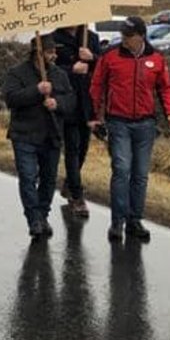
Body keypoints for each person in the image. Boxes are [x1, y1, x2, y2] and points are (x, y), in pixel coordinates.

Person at [89, 15, 170, 243]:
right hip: (118, 121)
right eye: (123, 35)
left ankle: (134, 219)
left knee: (140, 175)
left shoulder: (156, 59)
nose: (125, 39)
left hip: (145, 123)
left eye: (129, 36)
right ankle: (117, 221)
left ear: (141, 36)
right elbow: (97, 85)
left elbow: (165, 87)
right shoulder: (110, 56)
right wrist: (94, 117)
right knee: (121, 169)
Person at [4, 37, 75, 238]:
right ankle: (33, 218)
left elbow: (70, 101)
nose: (54, 56)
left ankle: (43, 214)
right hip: (24, 133)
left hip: (51, 134)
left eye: (54, 52)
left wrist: (57, 103)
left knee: (49, 179)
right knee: (27, 177)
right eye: (49, 52)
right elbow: (11, 99)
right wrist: (36, 91)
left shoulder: (59, 75)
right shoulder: (17, 73)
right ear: (38, 52)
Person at [53, 25, 102, 218]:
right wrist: (71, 69)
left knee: (82, 148)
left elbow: (103, 67)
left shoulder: (91, 37)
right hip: (67, 100)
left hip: (87, 102)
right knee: (72, 148)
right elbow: (49, 68)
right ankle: (77, 195)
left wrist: (93, 59)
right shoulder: (55, 39)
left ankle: (69, 183)